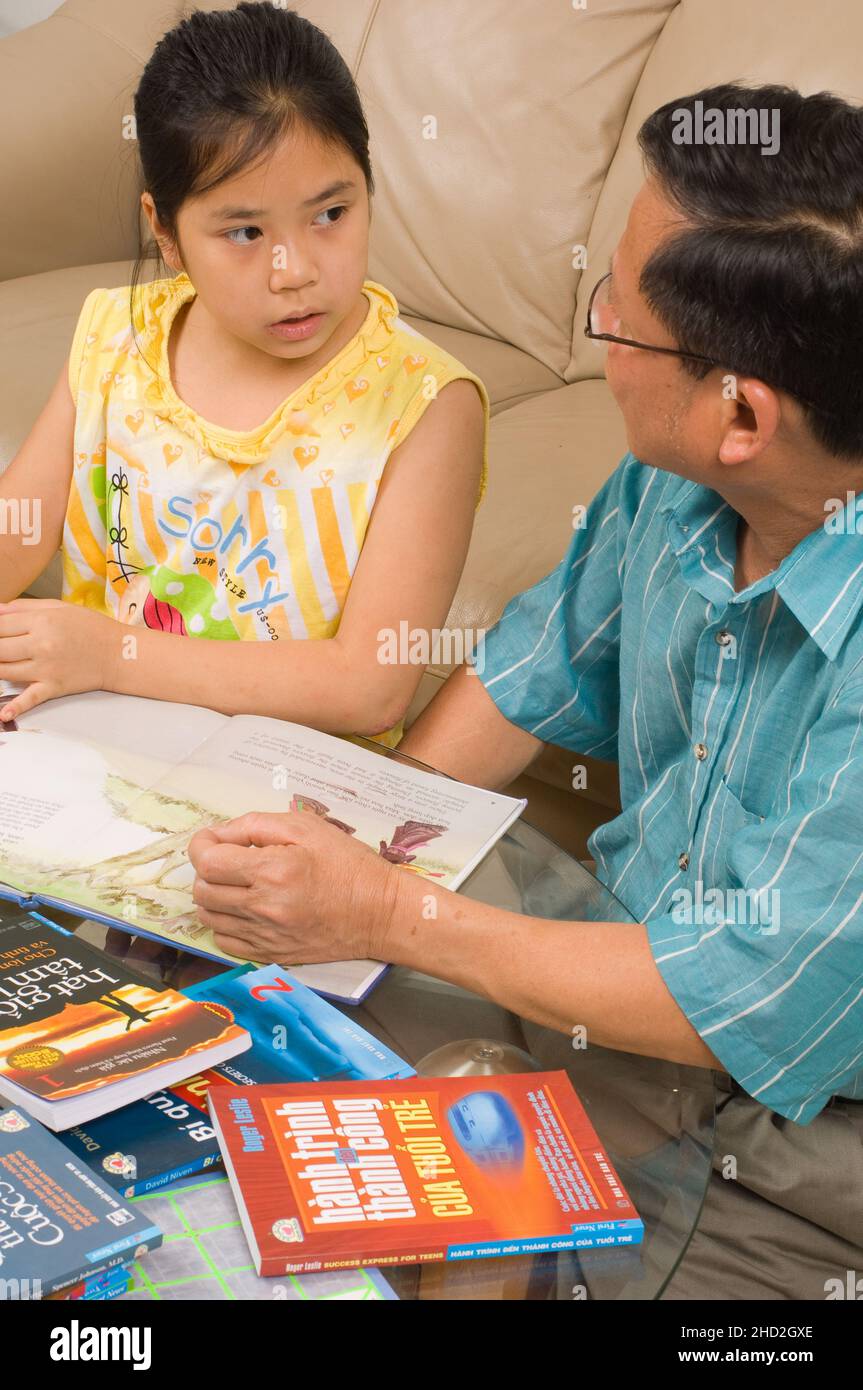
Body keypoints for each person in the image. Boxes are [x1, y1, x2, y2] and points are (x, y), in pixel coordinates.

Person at [188, 81, 863, 1299]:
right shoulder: (681, 481)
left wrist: (384, 916)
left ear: (742, 414)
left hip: (793, 1148)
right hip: (599, 979)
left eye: (616, 319)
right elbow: (528, 670)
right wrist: (353, 836)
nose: (598, 335)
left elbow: (735, 996)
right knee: (221, 1078)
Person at [0, 3, 489, 748]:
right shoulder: (114, 337)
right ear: (164, 231)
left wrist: (112, 655)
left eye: (330, 214)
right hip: (89, 758)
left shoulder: (426, 405)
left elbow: (368, 687)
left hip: (278, 787)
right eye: (245, 232)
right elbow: (16, 535)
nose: (294, 272)